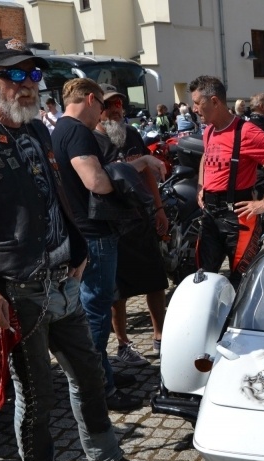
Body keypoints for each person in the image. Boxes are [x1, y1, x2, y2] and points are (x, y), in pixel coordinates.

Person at [0, 38, 159, 461]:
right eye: (15, 75)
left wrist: (78, 251)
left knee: (89, 375)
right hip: (17, 292)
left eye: (34, 75)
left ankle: (105, 458)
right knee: (37, 395)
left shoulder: (38, 129)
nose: (27, 85)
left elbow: (59, 196)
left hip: (63, 282)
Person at [52, 79, 166, 412]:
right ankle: (101, 388)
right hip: (95, 233)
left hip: (82, 230)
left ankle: (104, 374)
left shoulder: (58, 130)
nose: (102, 112)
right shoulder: (77, 131)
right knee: (97, 312)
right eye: (100, 105)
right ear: (90, 99)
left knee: (95, 308)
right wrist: (130, 171)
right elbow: (97, 182)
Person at [190, 75, 264, 287]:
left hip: (238, 217)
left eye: (197, 102)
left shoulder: (247, 132)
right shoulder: (209, 131)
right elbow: (205, 156)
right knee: (204, 278)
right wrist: (202, 186)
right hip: (210, 215)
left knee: (242, 282)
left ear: (214, 101)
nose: (193, 108)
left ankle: (238, 320)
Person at [94, 85, 169, 367]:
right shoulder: (91, 140)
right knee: (118, 291)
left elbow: (149, 172)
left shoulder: (132, 134)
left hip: (141, 217)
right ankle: (123, 344)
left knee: (155, 279)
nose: (116, 109)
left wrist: (159, 208)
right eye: (110, 104)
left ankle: (160, 335)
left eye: (119, 104)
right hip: (113, 223)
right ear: (97, 108)